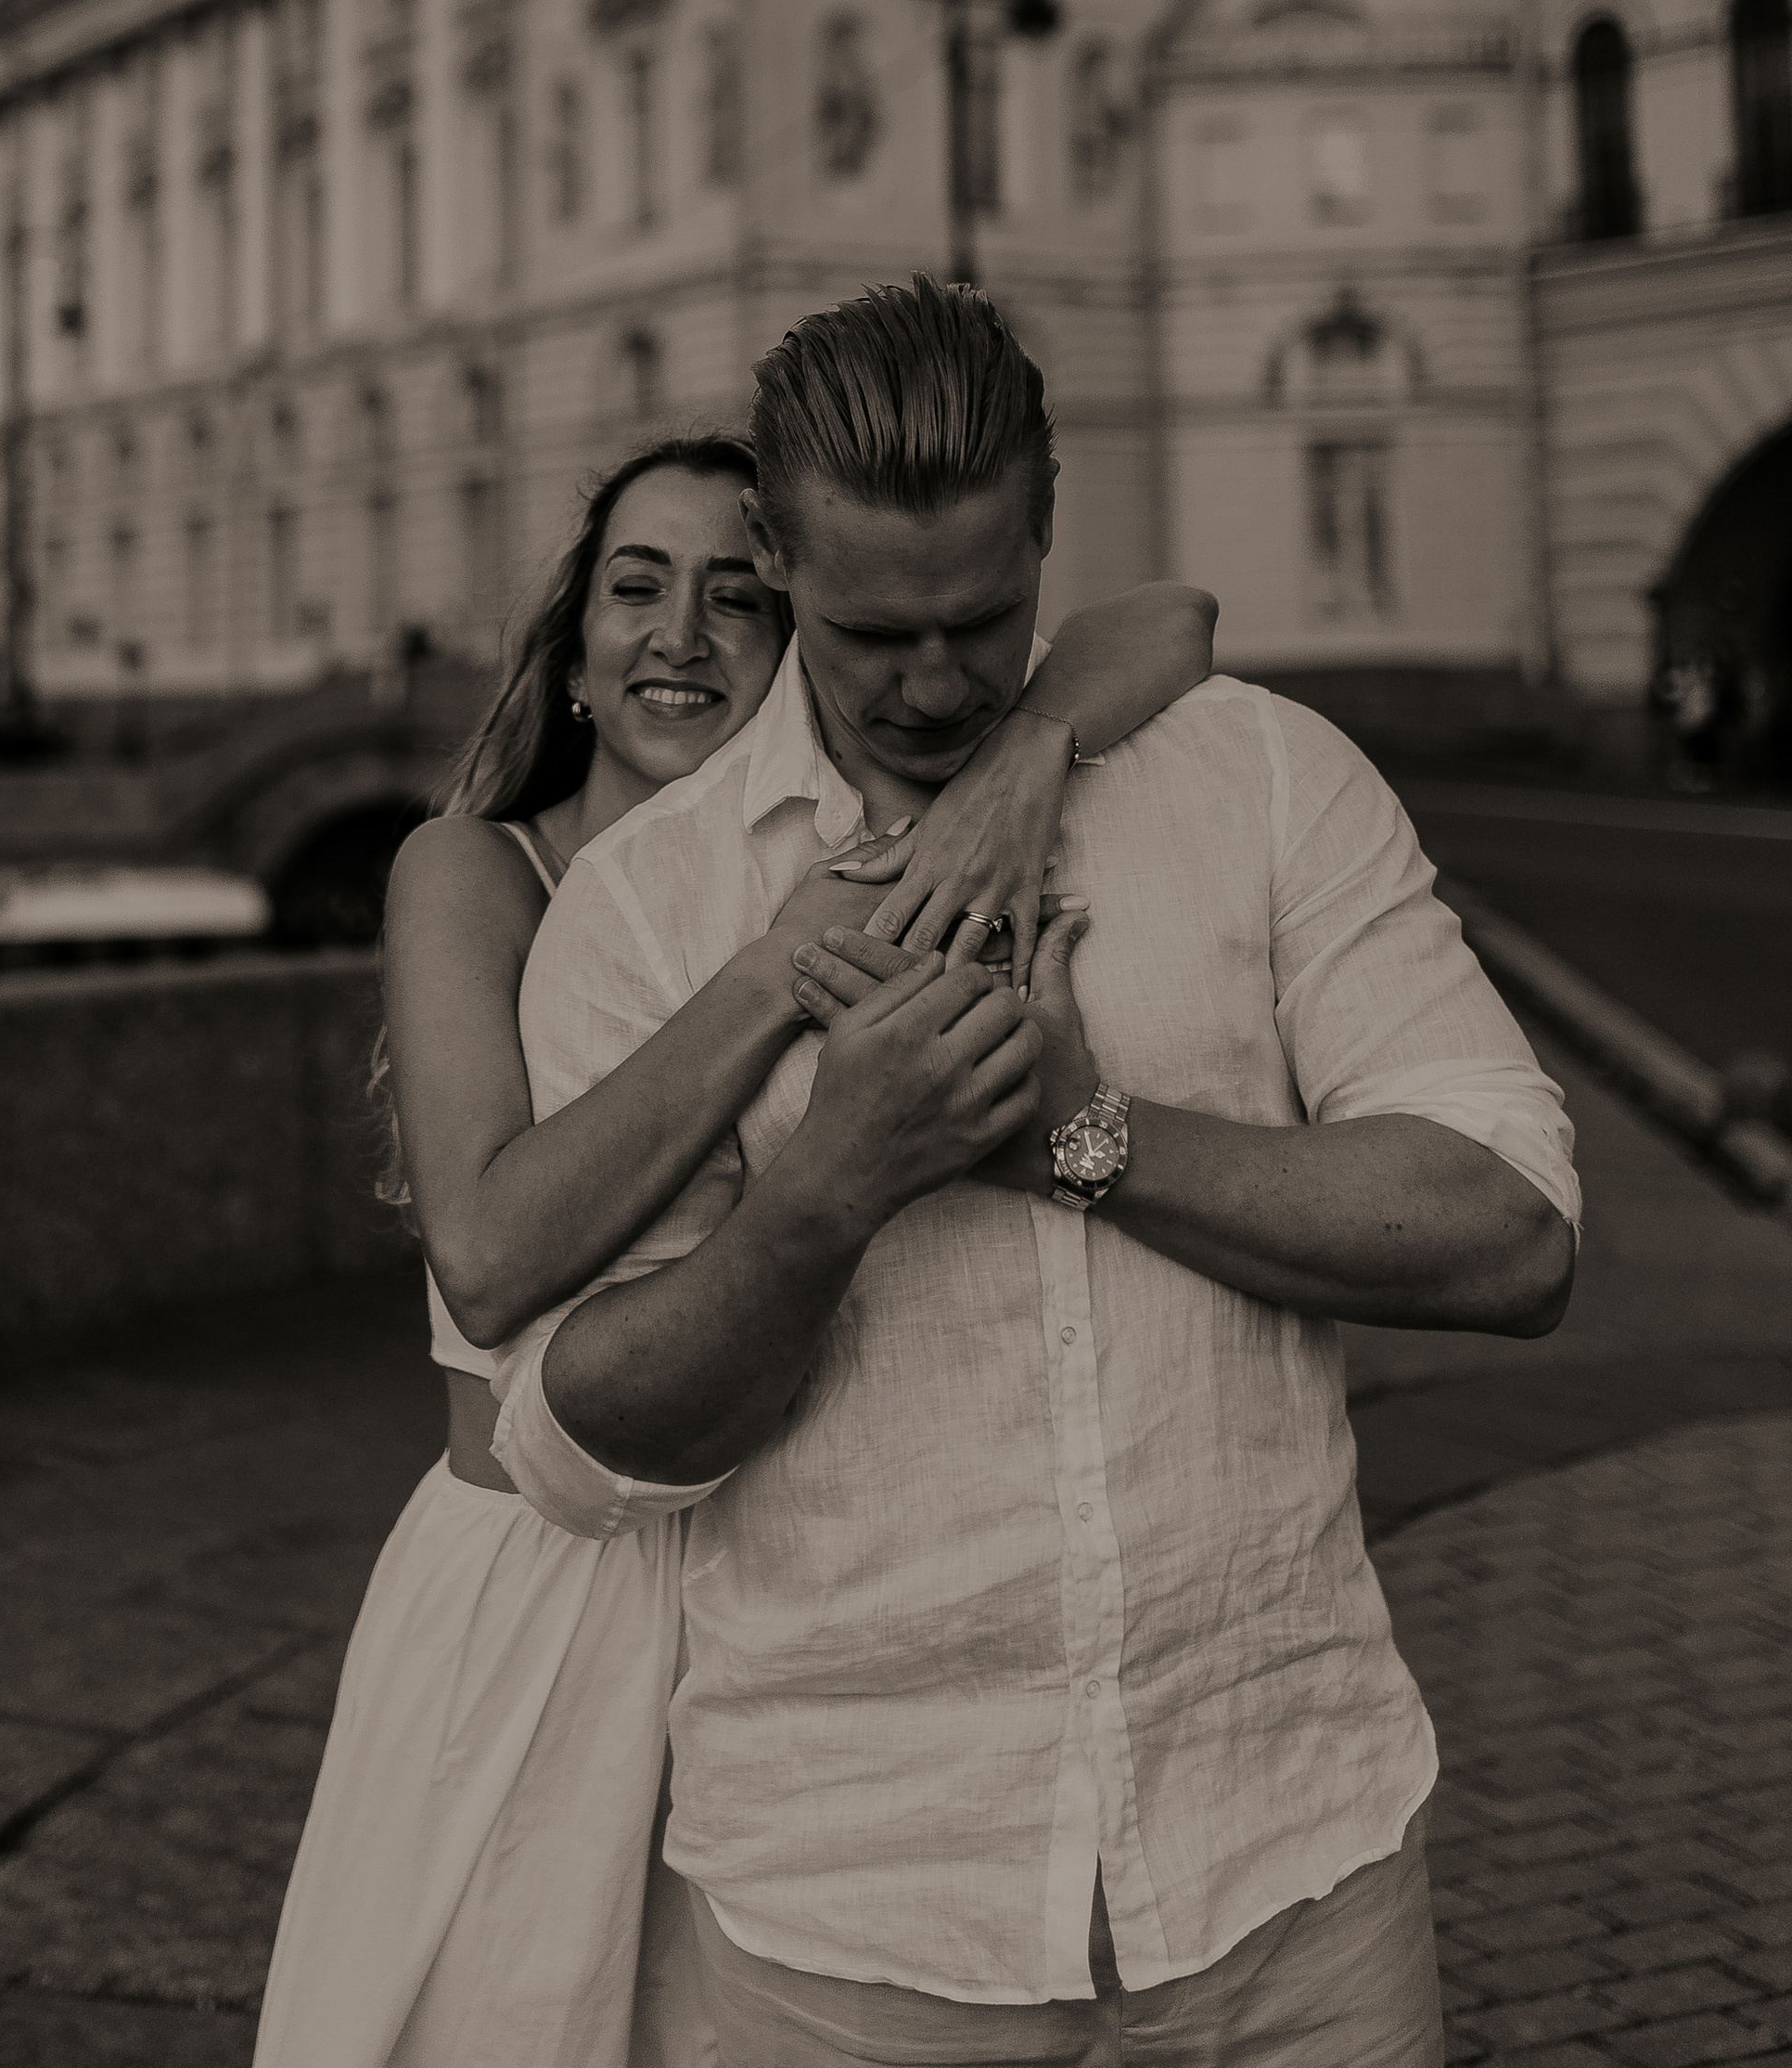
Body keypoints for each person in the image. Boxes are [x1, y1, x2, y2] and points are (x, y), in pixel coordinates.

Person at [499, 281, 1581, 2068]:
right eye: (865, 634)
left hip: (1292, 1870)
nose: (933, 684)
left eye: (984, 622)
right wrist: (835, 1183)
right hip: (843, 1927)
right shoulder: (647, 912)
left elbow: (1514, 1235)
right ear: (774, 553)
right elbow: (574, 1443)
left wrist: (1077, 1139)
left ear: (1052, 521)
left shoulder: (1265, 780)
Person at [253, 430, 1218, 2068]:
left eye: (739, 598)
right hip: (552, 1596)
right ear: (570, 652)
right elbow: (488, 1259)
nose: (680, 638)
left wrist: (1025, 752)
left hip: (789, 1594)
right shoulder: (481, 869)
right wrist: (777, 971)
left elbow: (1176, 615)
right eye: (636, 590)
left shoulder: (837, 832)